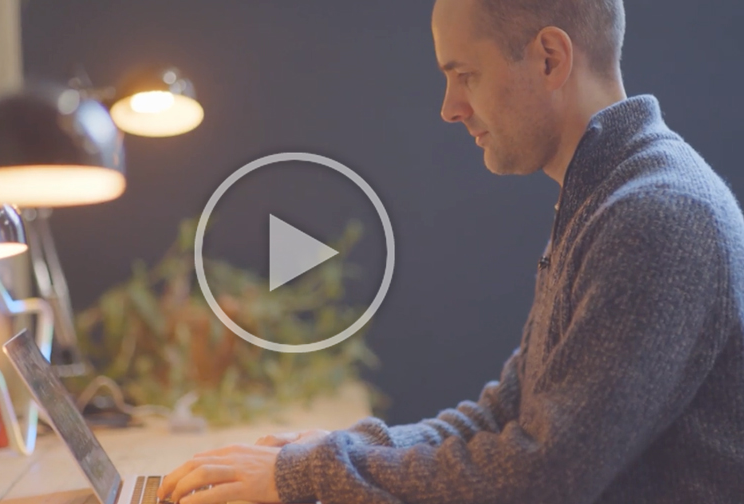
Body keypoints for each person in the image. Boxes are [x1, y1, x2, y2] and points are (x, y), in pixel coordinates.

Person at [157, 0, 744, 502]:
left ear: (549, 58)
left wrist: (311, 474)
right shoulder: (604, 195)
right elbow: (506, 414)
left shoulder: (656, 215)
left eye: (465, 74)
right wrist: (332, 452)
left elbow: (541, 476)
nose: (450, 107)